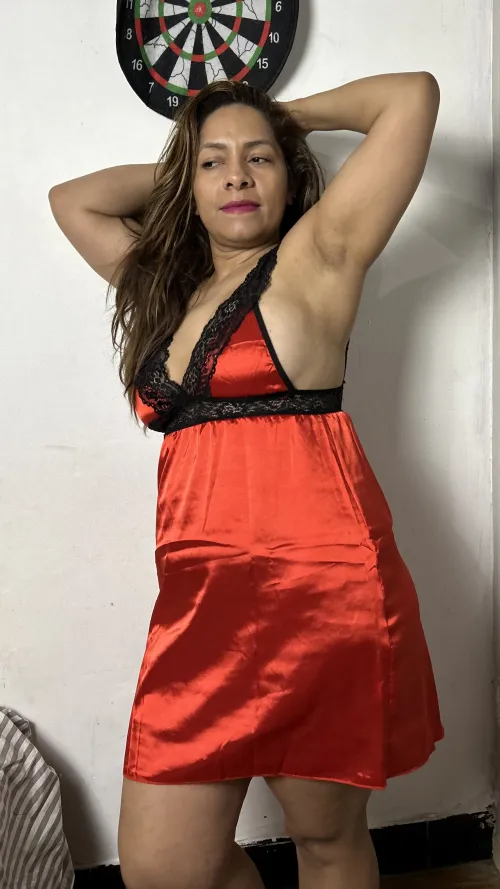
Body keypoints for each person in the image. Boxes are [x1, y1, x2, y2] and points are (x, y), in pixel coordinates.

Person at [49, 72, 443, 889]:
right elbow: (73, 200)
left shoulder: (321, 255)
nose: (236, 175)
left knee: (324, 838)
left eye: (258, 160)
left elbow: (411, 96)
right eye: (214, 163)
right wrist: (202, 155)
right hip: (200, 610)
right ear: (187, 186)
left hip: (320, 594)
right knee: (163, 866)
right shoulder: (168, 289)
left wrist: (277, 120)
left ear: (291, 176)